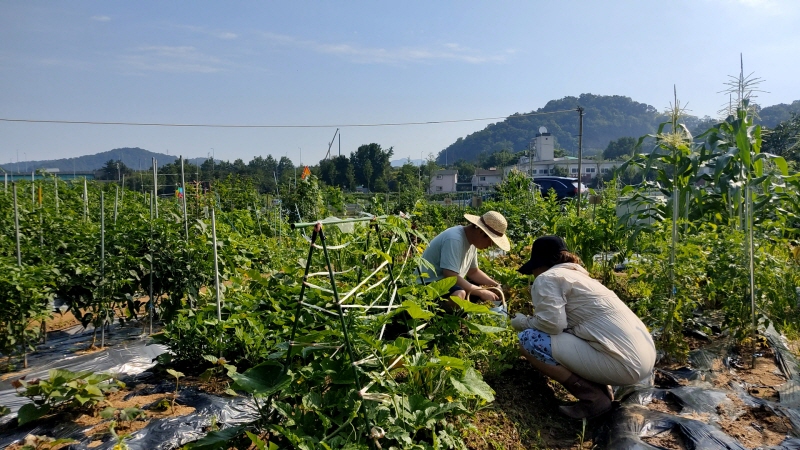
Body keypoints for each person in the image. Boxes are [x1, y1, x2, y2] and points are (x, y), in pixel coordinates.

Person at [511, 235, 656, 419]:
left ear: (541, 264)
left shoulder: (547, 278)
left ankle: (594, 400)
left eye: (533, 269)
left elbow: (552, 324)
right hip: (645, 358)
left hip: (625, 363)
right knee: (577, 336)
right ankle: (604, 393)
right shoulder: (579, 277)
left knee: (529, 339)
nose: (533, 275)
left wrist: (522, 322)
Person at [418, 211, 510, 304]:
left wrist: (495, 285)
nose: (490, 246)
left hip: (446, 285)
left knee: (476, 292)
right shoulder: (454, 239)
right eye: (491, 241)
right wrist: (480, 291)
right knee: (459, 294)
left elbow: (473, 272)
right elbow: (450, 275)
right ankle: (437, 316)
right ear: (481, 232)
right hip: (426, 286)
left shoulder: (472, 242)